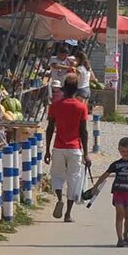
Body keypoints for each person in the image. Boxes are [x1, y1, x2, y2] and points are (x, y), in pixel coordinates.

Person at [44, 75, 91, 222]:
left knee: (57, 176)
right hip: (75, 148)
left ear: (64, 88)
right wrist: (86, 154)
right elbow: (84, 132)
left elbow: (50, 128)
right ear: (76, 89)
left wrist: (47, 149)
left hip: (58, 147)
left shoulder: (55, 106)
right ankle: (68, 214)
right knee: (73, 180)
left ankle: (59, 198)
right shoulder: (81, 107)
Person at [88, 137, 128, 247]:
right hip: (118, 192)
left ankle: (125, 235)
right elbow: (105, 175)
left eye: (127, 151)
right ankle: (120, 238)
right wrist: (95, 187)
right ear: (119, 150)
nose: (125, 154)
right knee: (120, 214)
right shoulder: (116, 164)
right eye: (122, 151)